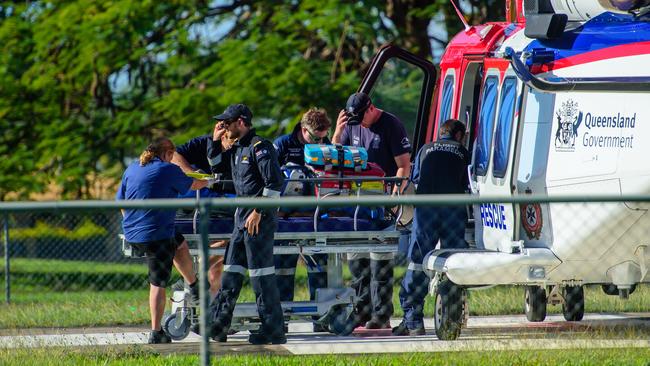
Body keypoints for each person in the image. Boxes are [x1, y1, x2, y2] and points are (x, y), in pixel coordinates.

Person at [116, 137, 209, 344]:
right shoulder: (168, 170)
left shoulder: (132, 168)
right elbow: (194, 184)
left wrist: (133, 223)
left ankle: (193, 285)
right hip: (155, 235)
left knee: (179, 243)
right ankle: (156, 332)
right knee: (158, 283)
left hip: (131, 231)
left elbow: (120, 202)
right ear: (167, 154)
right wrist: (211, 180)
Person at [207, 103, 287, 345]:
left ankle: (273, 331)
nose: (224, 126)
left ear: (241, 122)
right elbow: (218, 172)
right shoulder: (238, 149)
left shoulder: (259, 147)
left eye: (227, 123)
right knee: (230, 277)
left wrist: (258, 211)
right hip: (240, 224)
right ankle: (217, 326)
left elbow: (274, 183)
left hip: (258, 223)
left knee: (261, 278)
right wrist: (214, 141)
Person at [332, 92, 412, 329]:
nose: (358, 126)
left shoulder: (391, 124)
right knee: (357, 260)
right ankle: (362, 311)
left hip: (384, 197)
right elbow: (334, 158)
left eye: (361, 120)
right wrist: (337, 133)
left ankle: (381, 314)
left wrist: (396, 195)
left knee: (380, 259)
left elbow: (403, 165)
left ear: (370, 108)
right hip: (357, 200)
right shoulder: (352, 126)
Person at [392, 119, 470, 336]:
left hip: (426, 211)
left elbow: (415, 179)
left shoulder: (425, 149)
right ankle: (451, 313)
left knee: (418, 261)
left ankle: (413, 320)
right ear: (458, 135)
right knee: (453, 261)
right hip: (453, 211)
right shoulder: (463, 152)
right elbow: (467, 183)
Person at [273, 108, 331, 332]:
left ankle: (321, 318)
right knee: (283, 268)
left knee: (318, 266)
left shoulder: (325, 146)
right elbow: (268, 177)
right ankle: (282, 319)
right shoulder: (282, 144)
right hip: (285, 214)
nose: (320, 141)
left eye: (323, 136)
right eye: (316, 137)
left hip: (313, 214)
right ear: (303, 129)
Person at [171, 122, 237, 297]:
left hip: (226, 207)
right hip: (202, 204)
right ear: (222, 134)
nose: (233, 144)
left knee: (224, 252)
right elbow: (174, 155)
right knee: (224, 249)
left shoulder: (243, 150)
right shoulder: (203, 143)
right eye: (231, 139)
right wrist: (192, 176)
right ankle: (194, 279)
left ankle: (196, 281)